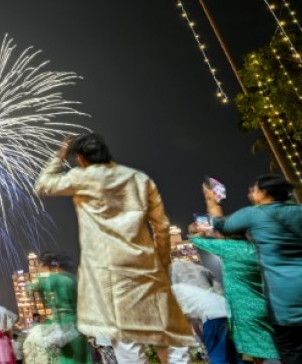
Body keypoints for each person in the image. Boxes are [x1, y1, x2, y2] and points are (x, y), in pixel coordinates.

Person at [34, 134, 194, 364]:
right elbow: (162, 226)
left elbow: (44, 184)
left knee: (127, 343)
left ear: (80, 158)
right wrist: (161, 262)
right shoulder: (139, 179)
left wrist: (58, 156)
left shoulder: (82, 177)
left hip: (110, 275)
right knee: (168, 338)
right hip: (146, 269)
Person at [204, 173, 302, 364]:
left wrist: (211, 200)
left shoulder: (254, 214)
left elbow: (220, 225)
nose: (250, 194)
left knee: (293, 353)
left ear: (263, 193)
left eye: (253, 190)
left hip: (285, 301)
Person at [187, 227, 279, 363]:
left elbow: (196, 240)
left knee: (255, 352)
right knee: (267, 347)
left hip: (243, 311)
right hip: (261, 305)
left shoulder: (230, 248)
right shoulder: (256, 248)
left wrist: (200, 231)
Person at [168, 259, 236, 364]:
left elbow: (192, 320)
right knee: (233, 354)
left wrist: (202, 340)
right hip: (228, 311)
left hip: (212, 317)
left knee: (217, 357)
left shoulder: (176, 290)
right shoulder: (196, 286)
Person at [27, 256, 91, 364]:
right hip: (78, 323)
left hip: (63, 324)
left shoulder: (54, 279)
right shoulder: (75, 280)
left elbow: (30, 288)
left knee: (67, 357)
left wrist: (39, 273)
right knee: (83, 357)